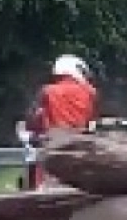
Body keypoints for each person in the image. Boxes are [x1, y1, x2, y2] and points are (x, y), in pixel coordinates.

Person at [20, 54, 99, 190]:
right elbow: (93, 120)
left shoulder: (47, 91)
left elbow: (31, 120)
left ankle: (31, 190)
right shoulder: (91, 92)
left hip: (54, 144)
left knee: (33, 159)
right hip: (80, 145)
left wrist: (34, 131)